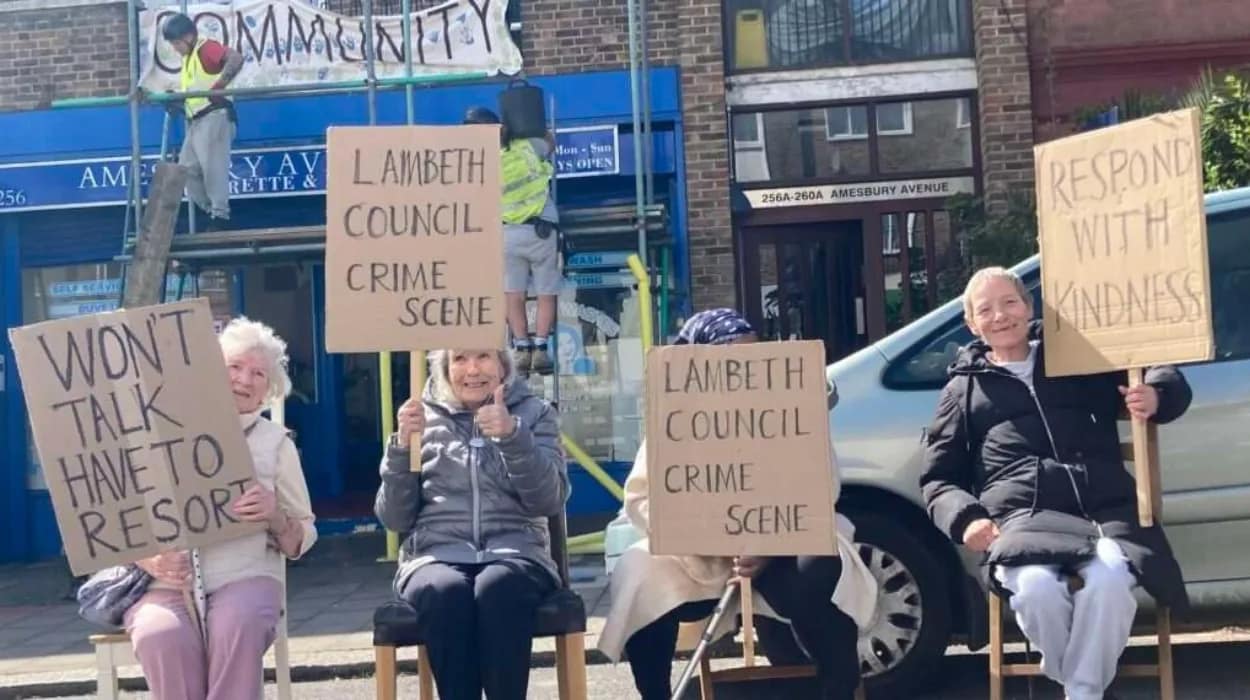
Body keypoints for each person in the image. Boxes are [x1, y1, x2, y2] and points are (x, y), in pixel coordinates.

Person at [919, 267, 1192, 700]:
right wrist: (966, 518)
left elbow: (1153, 365)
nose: (1000, 316)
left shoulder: (1077, 358)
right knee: (1035, 589)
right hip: (1022, 522)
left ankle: (1079, 690)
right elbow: (938, 478)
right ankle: (1085, 685)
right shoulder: (962, 391)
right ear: (972, 324)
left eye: (1009, 302)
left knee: (1110, 582)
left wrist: (1157, 394)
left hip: (1103, 513)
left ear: (1028, 307)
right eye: (985, 310)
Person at [597, 308, 878, 700]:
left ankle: (839, 689)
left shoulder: (790, 409)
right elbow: (642, 499)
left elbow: (821, 487)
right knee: (638, 570)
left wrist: (767, 543)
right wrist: (708, 536)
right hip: (697, 553)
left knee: (821, 565)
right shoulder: (674, 417)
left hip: (783, 545)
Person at [124, 318, 318, 700]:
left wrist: (274, 514)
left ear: (269, 389)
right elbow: (118, 521)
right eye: (235, 367)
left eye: (258, 373)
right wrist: (149, 558)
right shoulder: (160, 430)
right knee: (159, 634)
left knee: (238, 624)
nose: (245, 380)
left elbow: (304, 535)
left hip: (245, 578)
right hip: (167, 586)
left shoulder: (276, 444)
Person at [375, 347, 569, 700]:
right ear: (445, 370)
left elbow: (548, 500)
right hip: (434, 555)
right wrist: (401, 447)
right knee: (444, 592)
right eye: (460, 359)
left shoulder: (535, 413)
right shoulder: (421, 417)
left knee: (498, 588)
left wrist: (513, 436)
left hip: (517, 550)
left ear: (503, 365)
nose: (472, 370)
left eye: (484, 357)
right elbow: (393, 517)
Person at [464, 106, 560, 377]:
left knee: (512, 294)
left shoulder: (478, 161)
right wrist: (527, 124)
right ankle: (541, 346)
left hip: (506, 233)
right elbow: (550, 141)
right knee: (546, 292)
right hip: (541, 229)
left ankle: (521, 347)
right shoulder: (527, 147)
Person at [161, 13, 244, 232]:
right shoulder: (189, 58)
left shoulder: (205, 48)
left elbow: (235, 58)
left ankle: (221, 216)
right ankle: (212, 213)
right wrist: (178, 101)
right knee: (186, 169)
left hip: (214, 115)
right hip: (197, 119)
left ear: (189, 36)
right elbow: (196, 93)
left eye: (177, 42)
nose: (175, 48)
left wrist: (220, 84)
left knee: (213, 167)